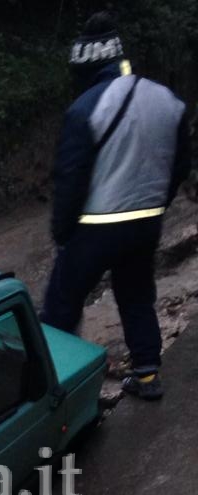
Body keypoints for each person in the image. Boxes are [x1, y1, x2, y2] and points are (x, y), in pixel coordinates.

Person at [40, 12, 191, 400]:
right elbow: (180, 164)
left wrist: (62, 232)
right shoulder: (167, 100)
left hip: (95, 227)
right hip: (146, 223)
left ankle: (53, 385)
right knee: (137, 294)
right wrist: (158, 201)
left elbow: (70, 179)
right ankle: (146, 375)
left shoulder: (85, 109)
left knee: (62, 302)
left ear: (85, 66)